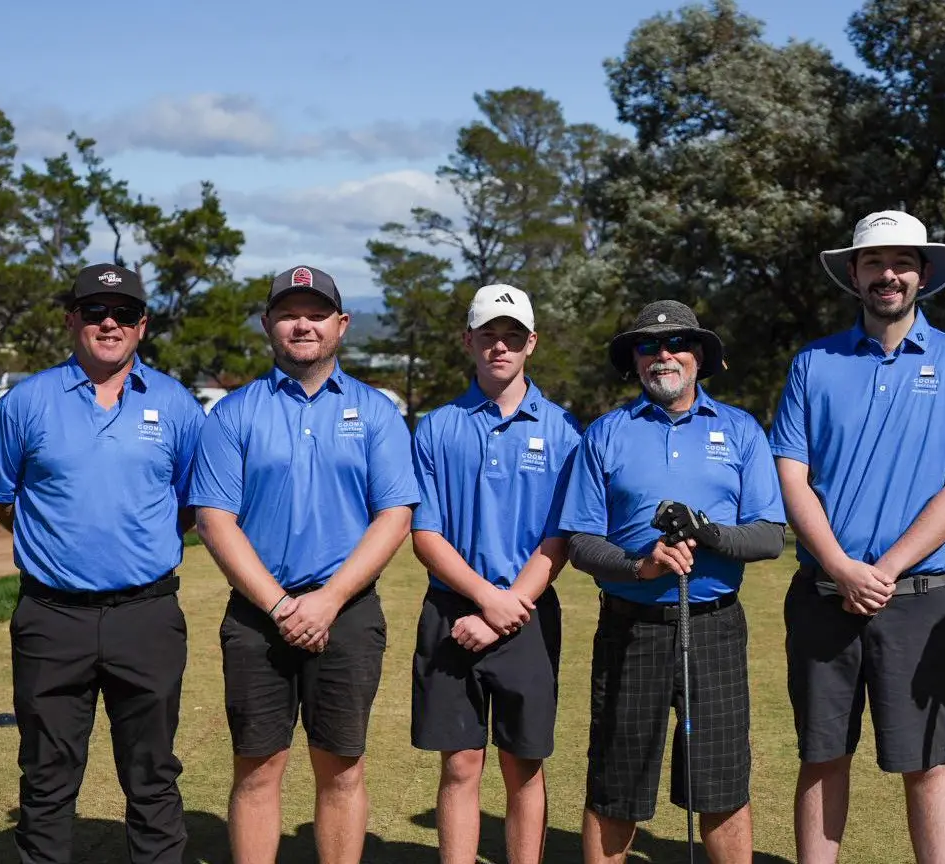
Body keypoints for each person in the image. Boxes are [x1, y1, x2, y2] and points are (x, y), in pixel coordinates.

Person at [770, 211, 945, 864]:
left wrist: (885, 570)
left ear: (923, 274)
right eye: (874, 263)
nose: (888, 274)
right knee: (822, 756)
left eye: (901, 262)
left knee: (925, 760)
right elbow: (791, 473)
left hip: (919, 599)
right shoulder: (814, 363)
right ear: (854, 274)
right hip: (823, 594)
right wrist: (842, 566)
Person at [189, 265, 420, 864]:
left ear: (340, 325)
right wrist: (281, 605)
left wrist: (328, 601)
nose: (303, 325)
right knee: (257, 770)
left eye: (316, 314)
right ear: (268, 324)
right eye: (289, 313)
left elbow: (393, 517)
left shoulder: (376, 412)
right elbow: (216, 520)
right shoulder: (233, 414)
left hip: (346, 614)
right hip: (257, 616)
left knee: (341, 769)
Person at [0, 263, 206, 864]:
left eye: (124, 313)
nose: (110, 322)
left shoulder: (177, 405)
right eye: (96, 311)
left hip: (147, 616)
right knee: (47, 777)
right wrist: (56, 544)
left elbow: (188, 506)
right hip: (52, 617)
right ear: (71, 319)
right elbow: (0, 499)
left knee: (153, 776)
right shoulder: (25, 403)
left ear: (142, 325)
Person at [559, 300, 786, 864]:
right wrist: (643, 565)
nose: (663, 355)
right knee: (615, 782)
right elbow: (581, 542)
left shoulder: (739, 430)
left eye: (678, 344)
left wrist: (706, 531)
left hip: (712, 628)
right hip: (630, 629)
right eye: (648, 346)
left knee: (722, 781)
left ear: (699, 355)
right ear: (634, 361)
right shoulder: (605, 434)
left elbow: (767, 537)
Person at [409, 284, 582, 864]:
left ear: (531, 343)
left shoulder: (562, 431)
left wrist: (509, 610)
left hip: (528, 612)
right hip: (451, 608)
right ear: (469, 342)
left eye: (512, 336)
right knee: (460, 763)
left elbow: (559, 539)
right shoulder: (436, 428)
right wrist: (487, 600)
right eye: (489, 335)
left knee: (523, 764)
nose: (500, 347)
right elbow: (426, 536)